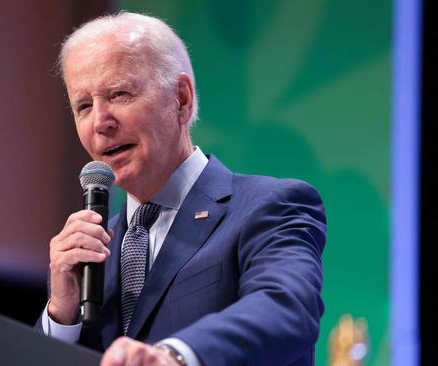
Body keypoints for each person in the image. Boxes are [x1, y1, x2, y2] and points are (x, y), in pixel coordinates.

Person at [36, 12, 326, 366]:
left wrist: (177, 356)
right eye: (84, 106)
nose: (100, 123)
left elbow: (287, 308)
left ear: (182, 99)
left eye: (119, 94)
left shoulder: (270, 207)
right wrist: (61, 318)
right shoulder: (93, 253)